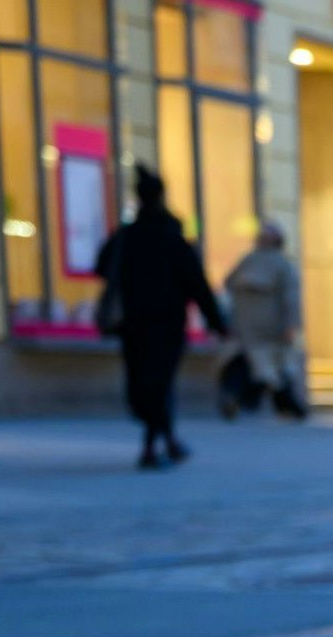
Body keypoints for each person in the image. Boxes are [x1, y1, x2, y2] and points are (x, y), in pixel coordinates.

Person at [95, 168, 225, 469]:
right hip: (167, 324)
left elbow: (101, 266)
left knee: (144, 384)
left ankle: (156, 444)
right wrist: (216, 322)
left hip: (135, 323)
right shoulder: (172, 237)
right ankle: (163, 443)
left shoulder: (127, 237)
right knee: (160, 384)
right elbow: (197, 284)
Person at [219, 222, 305, 420]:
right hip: (273, 326)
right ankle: (286, 405)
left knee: (252, 364)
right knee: (276, 366)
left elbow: (228, 282)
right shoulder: (283, 264)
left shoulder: (248, 260)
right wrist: (292, 325)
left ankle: (250, 400)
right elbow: (291, 298)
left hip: (246, 325)